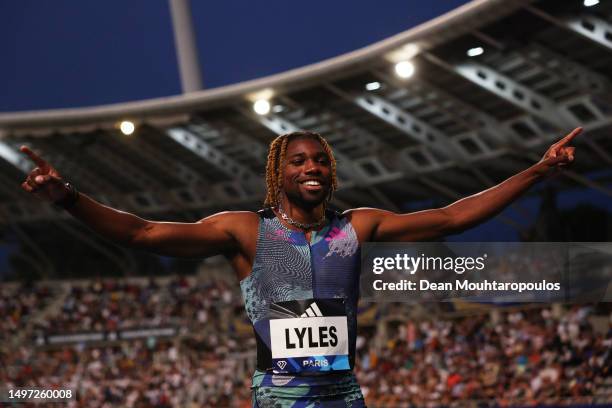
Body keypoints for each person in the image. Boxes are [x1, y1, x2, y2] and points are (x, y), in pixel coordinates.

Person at [19, 128, 581, 407]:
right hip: (280, 394)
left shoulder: (357, 226)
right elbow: (142, 233)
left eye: (319, 160)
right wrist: (68, 196)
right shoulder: (245, 231)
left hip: (344, 392)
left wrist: (537, 171)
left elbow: (451, 218)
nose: (311, 167)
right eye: (298, 161)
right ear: (278, 174)